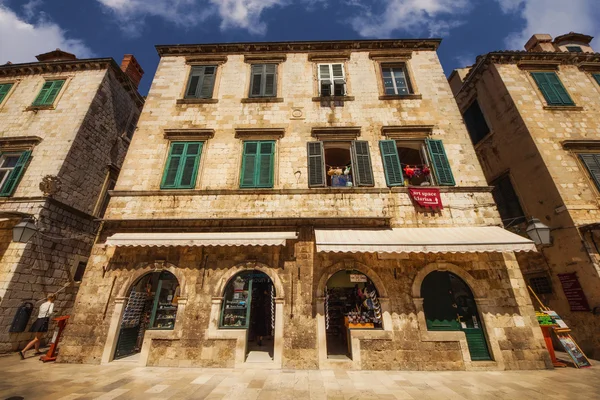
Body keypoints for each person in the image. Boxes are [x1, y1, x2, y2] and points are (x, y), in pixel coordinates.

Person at [19, 294, 56, 359]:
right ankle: (23, 351)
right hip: (44, 320)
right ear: (52, 298)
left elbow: (40, 312)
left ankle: (37, 350)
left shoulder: (42, 304)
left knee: (38, 337)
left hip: (39, 320)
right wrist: (54, 313)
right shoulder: (51, 304)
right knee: (36, 338)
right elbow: (50, 312)